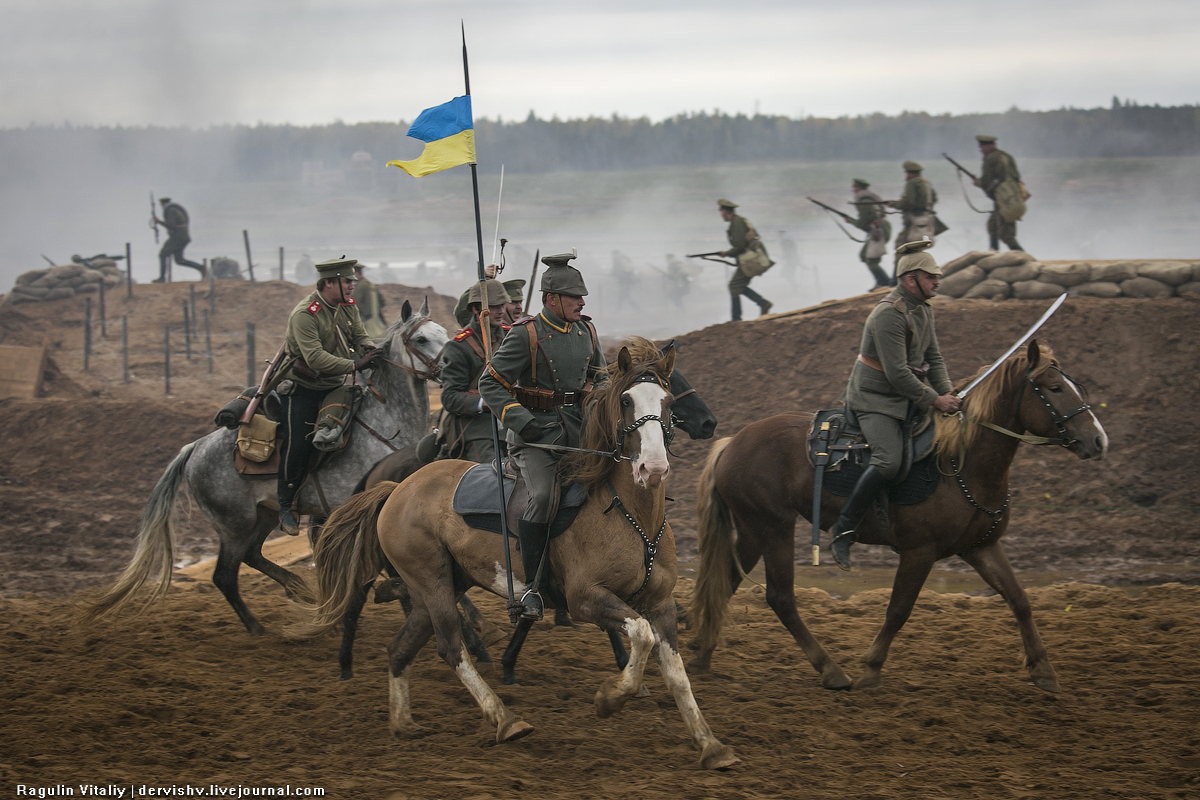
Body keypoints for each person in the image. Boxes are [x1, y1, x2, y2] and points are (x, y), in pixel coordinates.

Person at [477, 252, 607, 620]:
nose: (582, 303)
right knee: (545, 496)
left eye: (582, 297)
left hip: (579, 432)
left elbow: (602, 376)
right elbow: (490, 383)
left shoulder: (587, 330)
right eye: (573, 298)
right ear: (551, 300)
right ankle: (532, 587)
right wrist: (520, 420)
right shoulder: (526, 335)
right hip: (535, 437)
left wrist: (605, 402)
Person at [830, 238, 960, 570]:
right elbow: (898, 373)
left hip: (906, 397)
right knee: (888, 461)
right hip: (876, 399)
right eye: (930, 277)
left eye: (936, 276)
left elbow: (935, 358)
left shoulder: (924, 310)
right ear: (909, 279)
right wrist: (935, 399)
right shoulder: (889, 314)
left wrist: (951, 395)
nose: (937, 282)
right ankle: (844, 528)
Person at [275, 258, 381, 535]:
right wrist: (355, 365)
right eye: (347, 282)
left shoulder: (347, 306)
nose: (352, 286)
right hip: (302, 388)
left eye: (352, 282)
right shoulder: (305, 314)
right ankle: (286, 504)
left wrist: (369, 350)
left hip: (333, 386)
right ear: (329, 283)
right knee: (298, 442)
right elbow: (316, 358)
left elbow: (359, 335)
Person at [438, 278, 510, 464]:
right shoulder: (458, 347)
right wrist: (484, 402)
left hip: (513, 419)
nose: (501, 311)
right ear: (475, 309)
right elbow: (450, 397)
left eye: (502, 305)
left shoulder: (511, 336)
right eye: (494, 306)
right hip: (477, 426)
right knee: (491, 476)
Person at [717, 199, 773, 321]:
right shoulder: (739, 221)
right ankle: (763, 303)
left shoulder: (737, 223)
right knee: (738, 286)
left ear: (726, 212)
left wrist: (727, 253)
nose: (721, 215)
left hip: (750, 259)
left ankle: (736, 319)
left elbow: (740, 246)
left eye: (721, 212)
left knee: (734, 285)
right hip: (751, 258)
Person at [974, 134, 1025, 252]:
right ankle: (994, 253)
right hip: (1013, 197)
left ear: (987, 147)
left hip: (1003, 200)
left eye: (982, 148)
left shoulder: (990, 159)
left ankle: (1023, 257)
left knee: (1006, 235)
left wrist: (978, 183)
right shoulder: (1007, 156)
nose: (981, 151)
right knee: (992, 226)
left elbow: (986, 181)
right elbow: (1016, 177)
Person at [888, 162, 944, 262]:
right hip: (926, 219)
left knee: (901, 249)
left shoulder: (912, 183)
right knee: (915, 250)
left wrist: (893, 204)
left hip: (913, 222)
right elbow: (934, 198)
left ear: (909, 173)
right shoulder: (926, 184)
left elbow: (908, 202)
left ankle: (897, 277)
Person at [851, 179, 894, 289]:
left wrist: (851, 221)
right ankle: (882, 281)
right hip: (880, 228)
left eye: (854, 187)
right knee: (865, 255)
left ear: (858, 188)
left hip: (878, 230)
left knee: (870, 259)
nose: (852, 189)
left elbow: (863, 222)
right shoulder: (870, 198)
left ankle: (883, 282)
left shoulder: (863, 201)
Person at [152, 197, 205, 281]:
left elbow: (171, 225)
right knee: (179, 260)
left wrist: (159, 222)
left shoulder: (170, 210)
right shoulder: (174, 209)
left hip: (178, 237)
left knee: (163, 254)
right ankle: (201, 268)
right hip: (182, 236)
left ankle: (162, 278)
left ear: (163, 204)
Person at [353, 263, 388, 340]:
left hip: (365, 319)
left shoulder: (360, 286)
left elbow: (356, 304)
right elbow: (382, 302)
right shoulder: (371, 284)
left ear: (357, 273)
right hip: (376, 318)